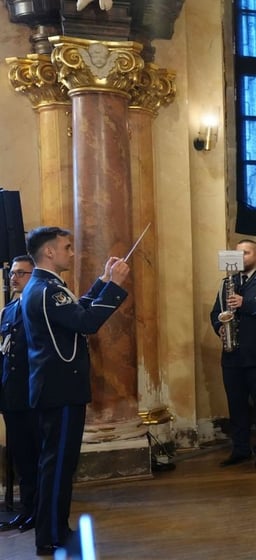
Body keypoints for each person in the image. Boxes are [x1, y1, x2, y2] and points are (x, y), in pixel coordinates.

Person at [21, 226, 129, 556]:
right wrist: (114, 287)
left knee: (57, 463)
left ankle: (54, 530)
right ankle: (51, 535)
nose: (71, 252)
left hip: (56, 387)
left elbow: (76, 310)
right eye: (67, 247)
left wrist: (102, 280)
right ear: (49, 252)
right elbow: (86, 323)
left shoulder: (45, 286)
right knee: (57, 464)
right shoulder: (47, 289)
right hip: (61, 389)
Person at [210, 239, 256, 469]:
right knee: (236, 405)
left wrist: (244, 303)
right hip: (232, 353)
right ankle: (240, 448)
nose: (242, 258)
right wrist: (219, 327)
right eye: (238, 254)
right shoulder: (226, 283)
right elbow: (215, 312)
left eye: (246, 253)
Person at [0, 255, 37, 533]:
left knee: (36, 456)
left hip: (32, 393)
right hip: (12, 395)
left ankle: (38, 510)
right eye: (13, 273)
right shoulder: (9, 310)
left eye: (21, 273)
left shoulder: (36, 308)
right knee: (21, 458)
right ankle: (27, 509)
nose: (14, 277)